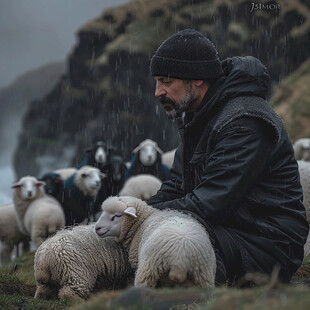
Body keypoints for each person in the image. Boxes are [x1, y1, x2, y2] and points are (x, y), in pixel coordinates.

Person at [147, 28, 309, 285]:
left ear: (198, 79)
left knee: (174, 248)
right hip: (228, 228)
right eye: (157, 81)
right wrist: (132, 214)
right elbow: (176, 186)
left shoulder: (243, 122)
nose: (158, 91)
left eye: (166, 82)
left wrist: (145, 219)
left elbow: (211, 203)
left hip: (265, 243)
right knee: (147, 241)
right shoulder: (198, 117)